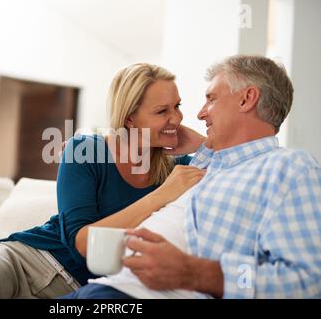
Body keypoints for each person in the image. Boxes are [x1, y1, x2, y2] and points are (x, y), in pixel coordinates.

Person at [0, 63, 205, 298]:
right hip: (24, 261)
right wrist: (161, 196)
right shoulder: (86, 150)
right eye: (162, 110)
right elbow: (82, 242)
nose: (176, 119)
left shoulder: (177, 168)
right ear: (129, 118)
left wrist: (203, 144)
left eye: (177, 106)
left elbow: (241, 162)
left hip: (78, 292)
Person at [62, 55, 321, 299]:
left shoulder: (289, 168)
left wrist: (194, 273)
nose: (199, 114)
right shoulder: (209, 165)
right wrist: (207, 146)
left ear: (247, 99)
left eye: (211, 99)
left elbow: (310, 281)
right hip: (104, 286)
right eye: (163, 111)